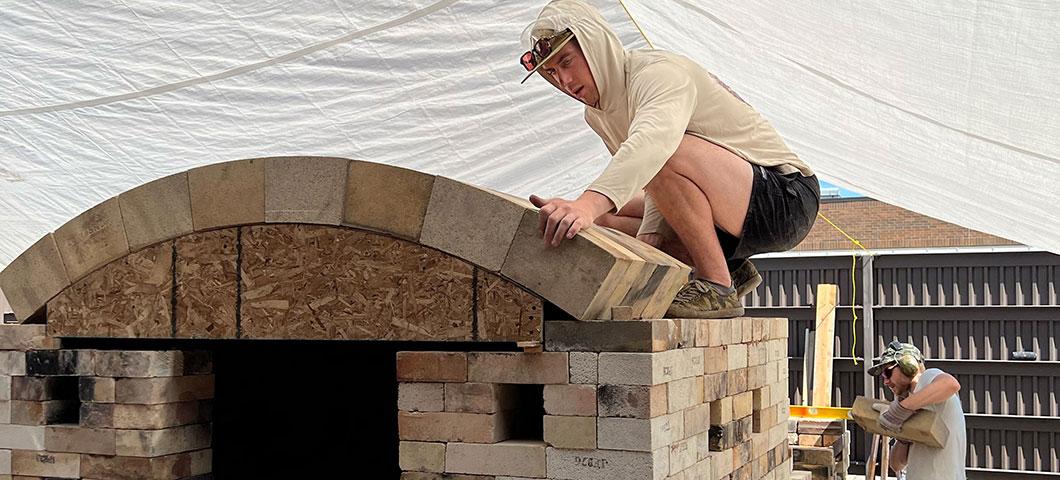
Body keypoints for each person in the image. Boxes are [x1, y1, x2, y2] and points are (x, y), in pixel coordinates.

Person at [519, 0, 820, 318]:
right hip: (730, 205)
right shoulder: (598, 115)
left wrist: (586, 204)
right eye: (551, 73)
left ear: (594, 45)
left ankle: (717, 283)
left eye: (566, 62)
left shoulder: (658, 74)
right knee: (606, 220)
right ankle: (731, 268)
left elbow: (652, 149)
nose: (563, 81)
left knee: (646, 166)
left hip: (786, 198)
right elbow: (655, 185)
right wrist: (647, 245)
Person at [868, 341, 966, 479]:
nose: (886, 381)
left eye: (888, 373)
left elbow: (950, 384)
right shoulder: (914, 405)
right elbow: (896, 465)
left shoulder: (928, 378)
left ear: (908, 365)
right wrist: (903, 437)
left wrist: (900, 409)